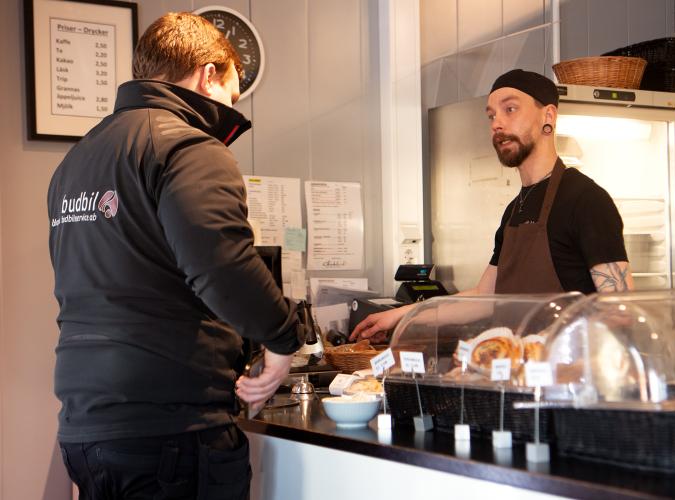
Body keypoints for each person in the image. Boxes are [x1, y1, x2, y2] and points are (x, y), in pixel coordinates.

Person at [47, 13, 305, 499]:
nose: (231, 107)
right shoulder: (188, 144)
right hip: (170, 427)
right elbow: (224, 265)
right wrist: (283, 340)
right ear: (209, 73)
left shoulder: (78, 160)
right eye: (232, 91)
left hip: (86, 426)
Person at [352, 69, 633, 343]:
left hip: (569, 380)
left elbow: (619, 311)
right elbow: (484, 297)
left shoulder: (586, 199)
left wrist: (552, 344)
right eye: (491, 115)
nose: (497, 123)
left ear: (548, 116)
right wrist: (402, 315)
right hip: (517, 374)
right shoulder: (514, 210)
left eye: (510, 109)